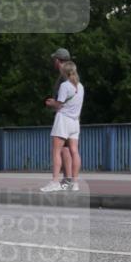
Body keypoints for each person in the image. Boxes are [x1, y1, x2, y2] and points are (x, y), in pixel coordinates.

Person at [40, 61, 84, 192]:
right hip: (75, 122)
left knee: (56, 151)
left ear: (64, 72)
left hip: (63, 120)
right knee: (74, 151)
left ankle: (54, 182)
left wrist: (50, 103)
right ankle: (74, 183)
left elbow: (59, 104)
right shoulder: (80, 86)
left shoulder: (65, 85)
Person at [50, 48, 74, 186]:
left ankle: (65, 179)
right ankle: (68, 178)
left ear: (58, 60)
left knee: (61, 148)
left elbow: (63, 100)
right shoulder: (72, 74)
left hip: (64, 117)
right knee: (68, 148)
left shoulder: (64, 77)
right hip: (71, 117)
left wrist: (53, 103)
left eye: (55, 59)